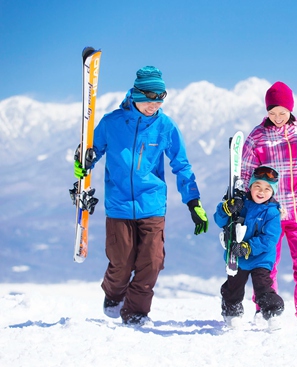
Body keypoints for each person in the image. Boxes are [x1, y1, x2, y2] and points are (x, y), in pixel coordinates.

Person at [72, 66, 209, 326]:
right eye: (150, 98)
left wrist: (193, 202)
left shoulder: (165, 127)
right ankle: (113, 295)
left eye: (160, 98)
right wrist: (82, 161)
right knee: (121, 263)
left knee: (153, 261)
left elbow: (181, 166)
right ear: (136, 94)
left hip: (152, 204)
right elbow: (90, 152)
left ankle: (135, 313)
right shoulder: (111, 123)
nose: (154, 104)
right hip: (119, 206)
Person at [240, 81, 297, 327]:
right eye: (272, 113)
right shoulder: (257, 137)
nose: (277, 117)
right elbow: (246, 174)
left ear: (291, 109)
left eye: (282, 112)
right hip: (270, 213)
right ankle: (265, 309)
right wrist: (243, 202)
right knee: (266, 265)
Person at [214, 166, 285, 329]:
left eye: (267, 189)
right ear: (250, 187)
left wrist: (248, 247)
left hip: (260, 257)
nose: (261, 191)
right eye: (257, 186)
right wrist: (226, 209)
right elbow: (220, 221)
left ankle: (272, 313)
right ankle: (232, 313)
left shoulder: (272, 212)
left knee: (263, 285)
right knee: (234, 285)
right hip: (237, 256)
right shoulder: (241, 205)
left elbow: (270, 239)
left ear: (273, 192)